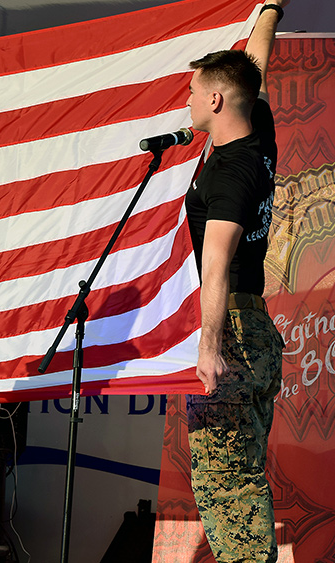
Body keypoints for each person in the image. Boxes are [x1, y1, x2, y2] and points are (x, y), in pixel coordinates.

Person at [183, 2, 288, 561]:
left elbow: (216, 261)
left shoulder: (231, 171)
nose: (190, 101)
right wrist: (267, 10)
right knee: (238, 473)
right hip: (254, 327)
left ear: (217, 100)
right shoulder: (256, 133)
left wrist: (208, 345)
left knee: (227, 482)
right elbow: (256, 68)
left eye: (195, 92)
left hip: (235, 332)